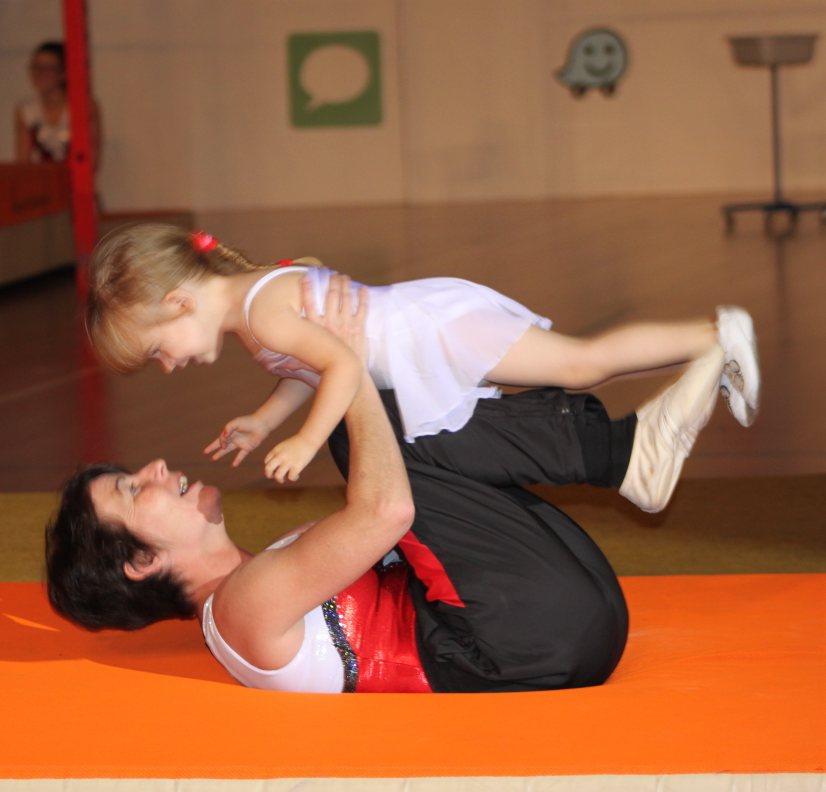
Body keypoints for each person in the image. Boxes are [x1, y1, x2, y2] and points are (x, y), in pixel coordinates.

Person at [45, 275, 728, 693]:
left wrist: (330, 358)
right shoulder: (238, 611)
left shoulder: (270, 570)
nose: (153, 469)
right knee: (367, 426)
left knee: (379, 412)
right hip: (523, 642)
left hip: (561, 623)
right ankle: (617, 452)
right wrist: (346, 364)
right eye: (133, 490)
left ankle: (620, 453)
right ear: (143, 561)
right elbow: (391, 509)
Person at [85, 224, 760, 492]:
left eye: (157, 352)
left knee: (580, 364)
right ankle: (713, 347)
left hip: (435, 332)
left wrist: (308, 441)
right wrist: (265, 421)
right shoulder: (252, 314)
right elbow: (310, 369)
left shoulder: (261, 309)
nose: (167, 365)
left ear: (179, 303)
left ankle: (717, 332)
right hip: (426, 335)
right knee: (579, 365)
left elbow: (343, 368)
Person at [14, 41, 102, 169]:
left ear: (63, 73)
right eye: (36, 66)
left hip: (76, 179)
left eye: (47, 68)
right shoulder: (26, 110)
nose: (39, 73)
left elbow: (91, 160)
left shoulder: (84, 106)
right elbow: (23, 162)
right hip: (42, 178)